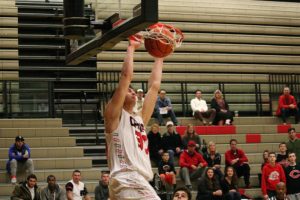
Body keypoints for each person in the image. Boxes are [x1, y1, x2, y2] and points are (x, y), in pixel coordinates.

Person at [104, 39, 164, 199]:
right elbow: (125, 77)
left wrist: (160, 56)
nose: (131, 91)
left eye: (132, 90)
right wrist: (131, 47)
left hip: (133, 180)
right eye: (128, 90)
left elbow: (155, 86)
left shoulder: (140, 118)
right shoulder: (114, 116)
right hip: (127, 177)